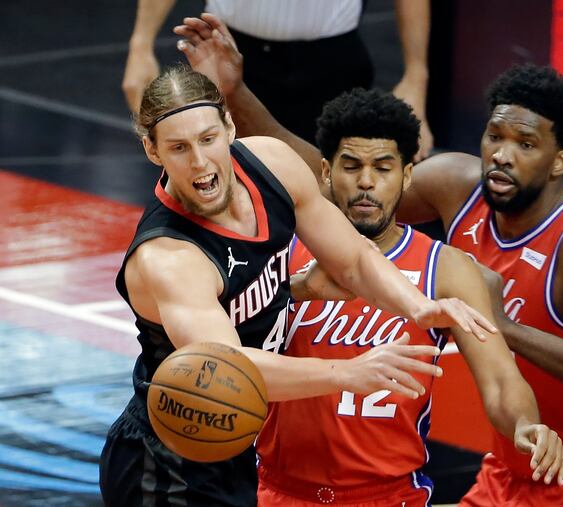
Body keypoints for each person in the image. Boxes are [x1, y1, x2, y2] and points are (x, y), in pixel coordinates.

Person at [175, 18, 563, 505]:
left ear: (559, 160)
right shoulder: (453, 186)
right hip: (501, 471)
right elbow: (331, 181)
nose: (501, 155)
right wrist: (235, 94)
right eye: (495, 137)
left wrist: (497, 328)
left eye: (525, 145)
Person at [98, 65, 495, 507]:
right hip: (168, 458)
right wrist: (349, 372)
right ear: (152, 151)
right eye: (178, 147)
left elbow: (355, 259)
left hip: (233, 447)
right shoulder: (168, 257)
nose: (199, 162)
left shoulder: (272, 163)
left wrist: (416, 306)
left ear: (229, 126)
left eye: (208, 139)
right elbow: (230, 371)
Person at [255, 88, 563, 506]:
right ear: (326, 173)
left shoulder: (447, 268)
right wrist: (293, 290)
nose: (366, 182)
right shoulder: (283, 245)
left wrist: (525, 424)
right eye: (352, 166)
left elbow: (500, 380)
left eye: (382, 168)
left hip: (388, 495)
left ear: (406, 176)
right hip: (277, 489)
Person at [123, 1, 433, 158]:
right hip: (224, 53)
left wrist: (415, 77)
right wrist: (140, 43)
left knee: (331, 198)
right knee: (215, 186)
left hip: (333, 66)